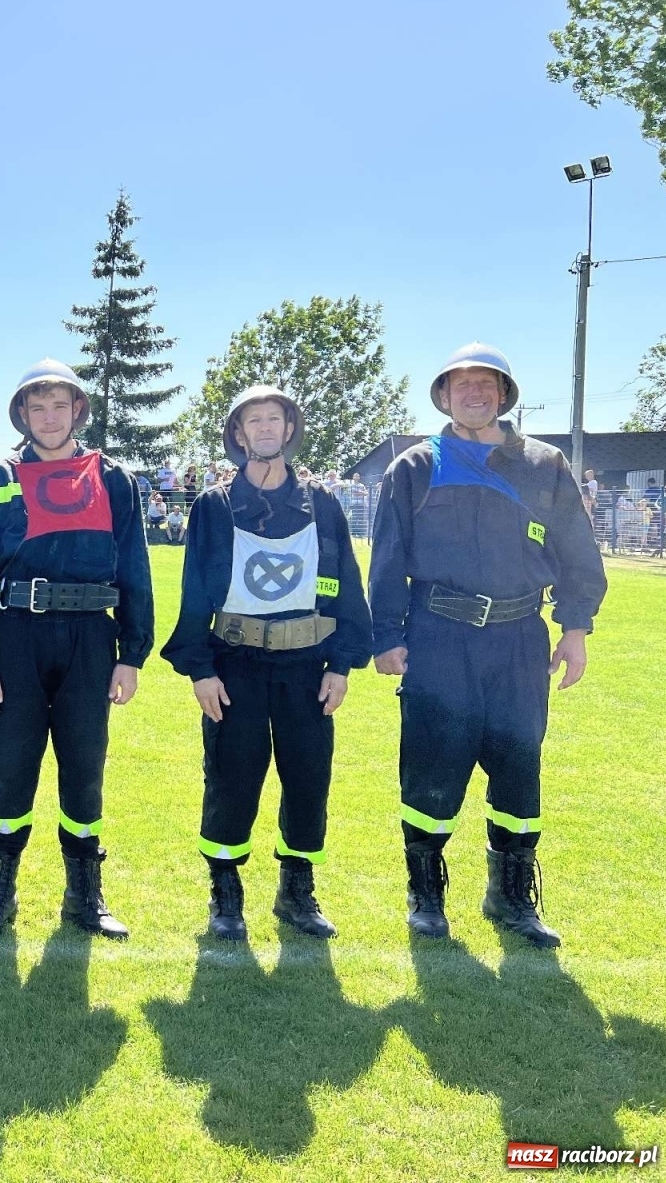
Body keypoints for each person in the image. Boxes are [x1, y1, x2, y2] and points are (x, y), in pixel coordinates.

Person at [370, 343, 606, 948]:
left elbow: (577, 550)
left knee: (518, 766)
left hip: (521, 639)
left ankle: (511, 897)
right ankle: (426, 896)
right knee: (432, 764)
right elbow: (388, 559)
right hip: (437, 637)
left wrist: (574, 628)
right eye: (461, 384)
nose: (474, 394)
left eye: (486, 384)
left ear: (504, 394)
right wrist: (387, 636)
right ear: (443, 396)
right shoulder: (415, 465)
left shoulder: (544, 464)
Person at [0, 359, 153, 940]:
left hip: (91, 637)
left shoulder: (112, 479)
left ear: (77, 412)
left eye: (59, 406)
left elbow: (136, 567)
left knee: (84, 767)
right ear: (22, 414)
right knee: (9, 767)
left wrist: (131, 654)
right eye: (36, 407)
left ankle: (84, 896)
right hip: (17, 635)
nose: (48, 417)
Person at [160, 385, 372, 941]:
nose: (264, 429)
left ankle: (296, 891)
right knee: (232, 776)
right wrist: (201, 669)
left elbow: (346, 583)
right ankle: (225, 895)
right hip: (235, 666)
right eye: (252, 421)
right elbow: (195, 590)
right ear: (238, 433)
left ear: (289, 428)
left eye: (273, 419)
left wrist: (342, 664)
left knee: (307, 776)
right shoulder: (213, 506)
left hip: (307, 667)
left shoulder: (322, 505)